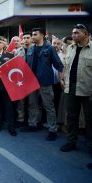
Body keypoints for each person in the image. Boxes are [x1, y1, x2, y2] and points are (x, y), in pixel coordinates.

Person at [59, 24, 92, 170]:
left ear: (86, 34)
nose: (73, 35)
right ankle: (71, 142)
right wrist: (62, 78)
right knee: (71, 117)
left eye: (76, 33)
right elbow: (66, 66)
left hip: (88, 91)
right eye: (72, 33)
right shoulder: (70, 48)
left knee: (90, 120)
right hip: (70, 88)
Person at [22, 28, 64, 141]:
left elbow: (58, 64)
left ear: (41, 36)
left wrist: (62, 77)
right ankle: (32, 124)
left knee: (49, 106)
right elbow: (26, 66)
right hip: (31, 82)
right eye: (32, 34)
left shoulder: (49, 48)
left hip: (45, 82)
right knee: (32, 104)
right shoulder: (30, 49)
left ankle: (52, 129)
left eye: (35, 34)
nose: (32, 36)